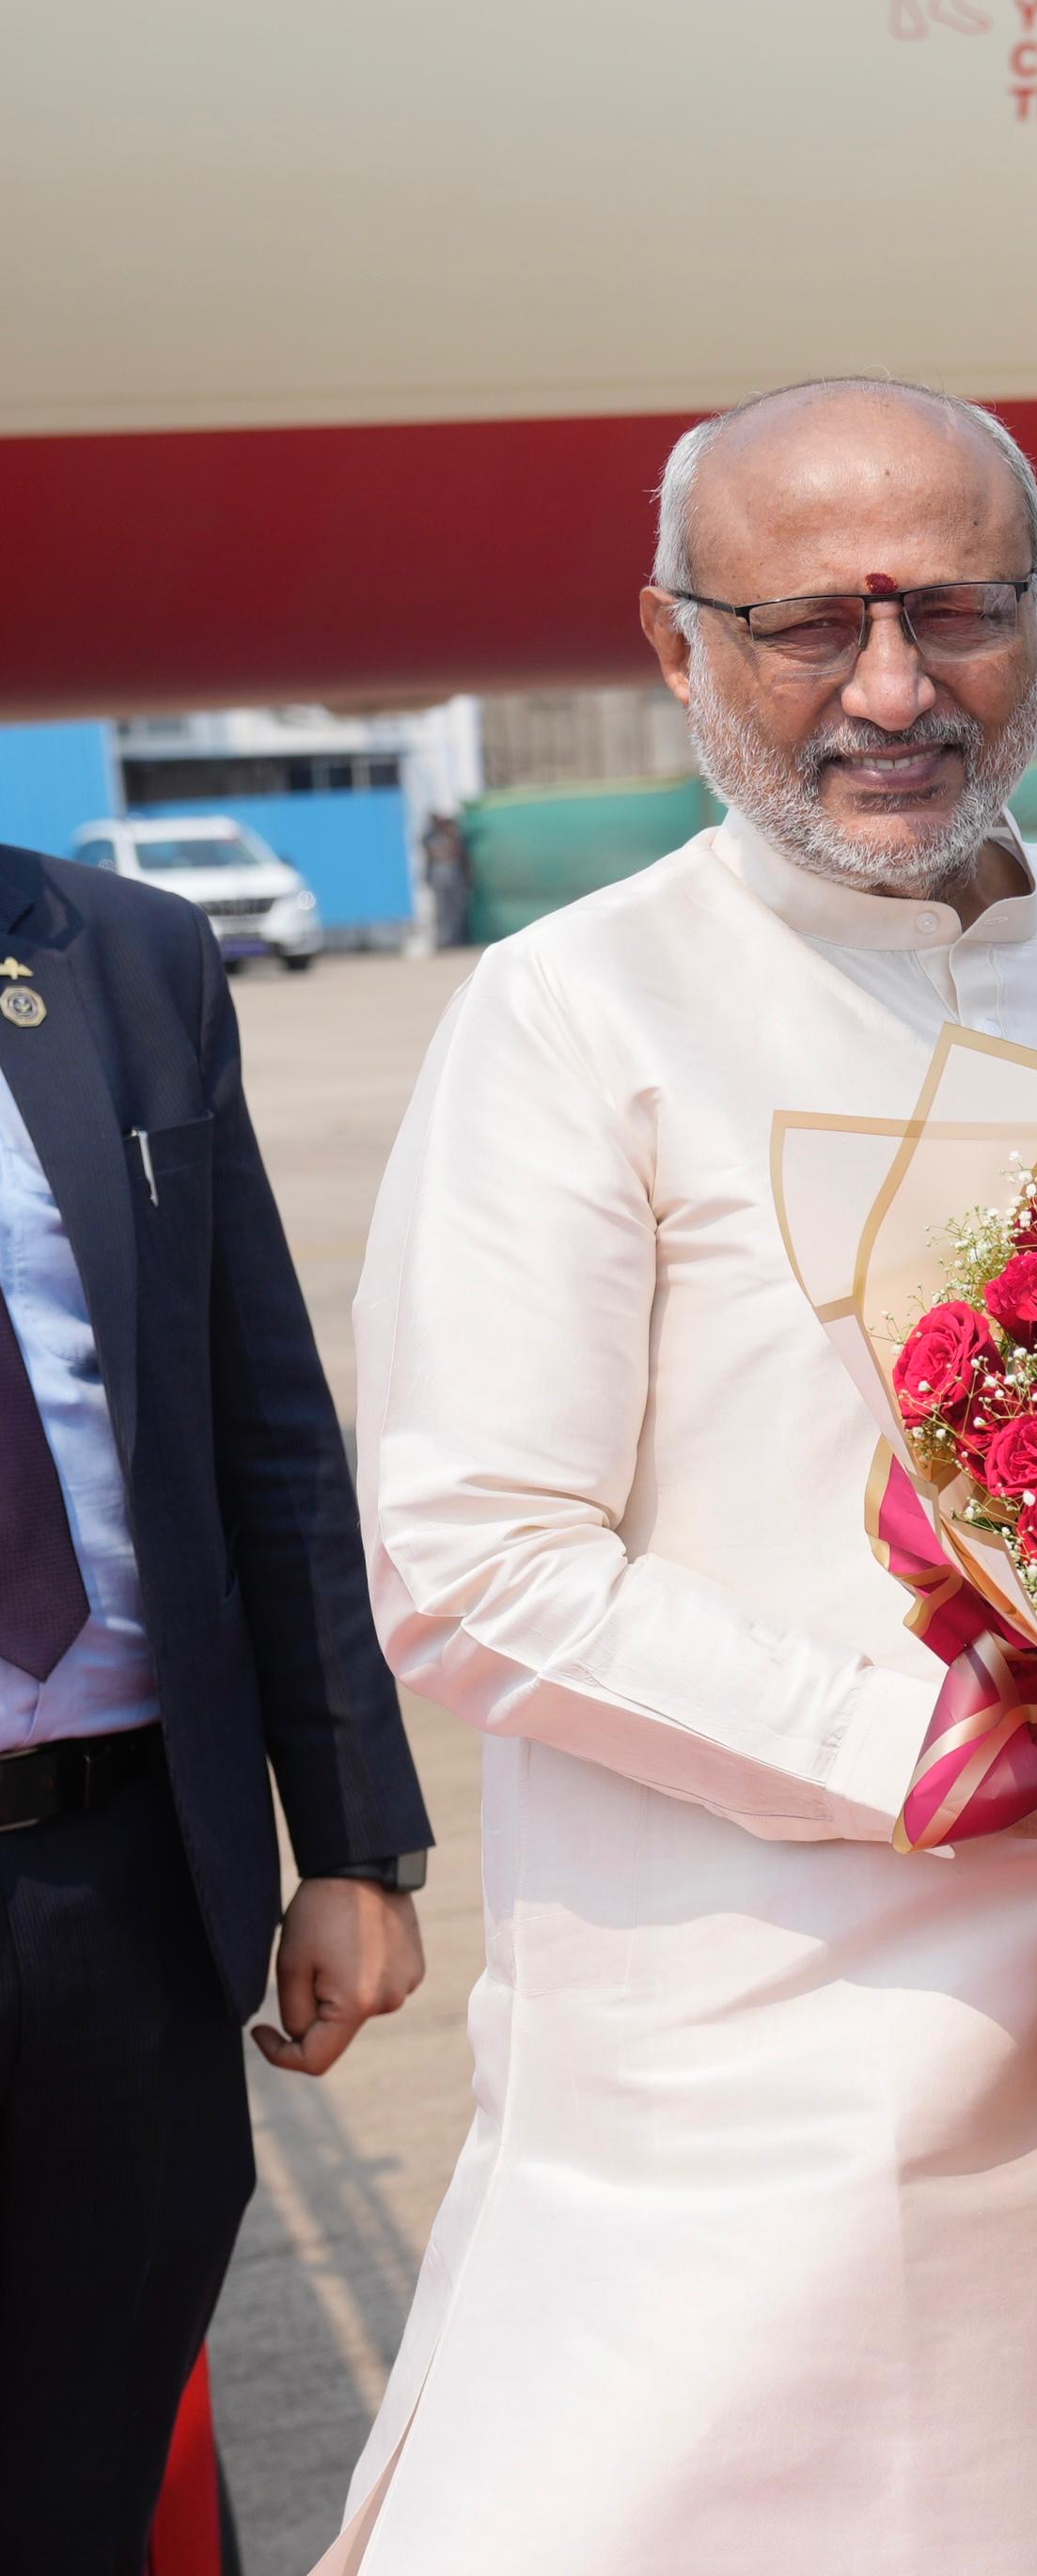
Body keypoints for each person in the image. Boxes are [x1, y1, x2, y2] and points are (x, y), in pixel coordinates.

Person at [325, 379, 1037, 2576]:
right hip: (726, 2084)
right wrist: (1006, 1764)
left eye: (959, 609)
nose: (893, 689)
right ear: (677, 643)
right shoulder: (576, 1012)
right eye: (809, 624)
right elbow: (478, 1568)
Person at [0, 842, 431, 2575]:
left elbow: (258, 1411)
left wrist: (349, 1838)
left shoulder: (119, 952)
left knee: (89, 2477)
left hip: (120, 1886)